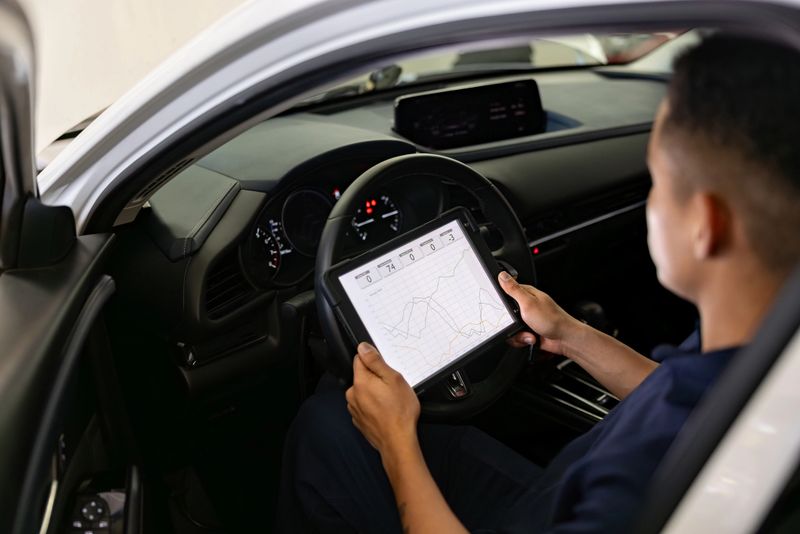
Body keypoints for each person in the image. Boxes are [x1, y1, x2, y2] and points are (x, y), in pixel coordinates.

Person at [277, 34, 800, 533]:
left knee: (325, 427)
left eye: (659, 183)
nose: (651, 203)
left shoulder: (631, 490)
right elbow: (687, 402)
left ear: (704, 224)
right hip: (561, 492)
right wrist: (570, 333)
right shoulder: (764, 347)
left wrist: (396, 442)